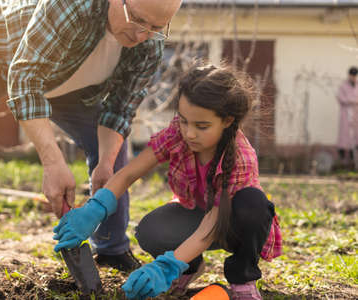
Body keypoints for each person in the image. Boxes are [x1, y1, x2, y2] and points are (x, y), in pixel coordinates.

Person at [0, 0, 183, 298]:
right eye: (138, 20)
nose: (143, 35)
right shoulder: (73, 5)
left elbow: (118, 111)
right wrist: (53, 163)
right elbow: (25, 80)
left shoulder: (148, 44)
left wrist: (105, 164)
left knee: (113, 155)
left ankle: (112, 250)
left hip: (60, 78)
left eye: (156, 27)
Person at [54, 63, 282, 300]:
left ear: (227, 120)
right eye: (183, 121)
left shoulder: (240, 157)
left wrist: (166, 267)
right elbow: (129, 173)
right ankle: (189, 267)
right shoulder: (178, 135)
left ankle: (242, 279)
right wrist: (96, 207)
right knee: (151, 231)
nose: (189, 133)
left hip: (233, 224)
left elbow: (211, 226)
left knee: (253, 203)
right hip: (196, 213)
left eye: (201, 126)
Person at [336, 66, 358, 167]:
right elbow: (340, 98)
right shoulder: (343, 86)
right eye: (352, 75)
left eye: (355, 76)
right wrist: (351, 101)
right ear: (349, 75)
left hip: (356, 115)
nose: (354, 78)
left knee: (355, 137)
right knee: (345, 137)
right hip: (346, 114)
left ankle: (354, 161)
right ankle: (344, 160)